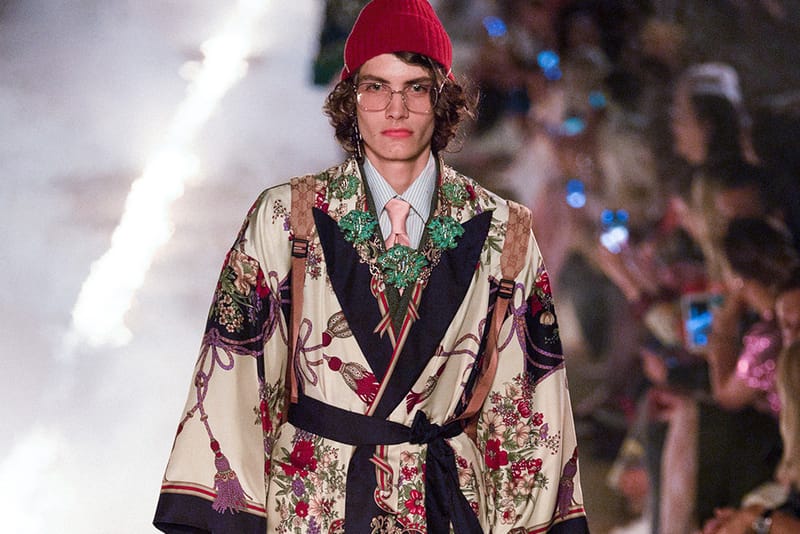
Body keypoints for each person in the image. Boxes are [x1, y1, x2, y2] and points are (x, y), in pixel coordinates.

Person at [153, 1, 589, 532]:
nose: (396, 109)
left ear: (443, 98)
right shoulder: (286, 219)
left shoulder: (505, 232)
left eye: (416, 88)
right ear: (350, 97)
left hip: (445, 508)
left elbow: (527, 413)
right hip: (314, 506)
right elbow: (237, 379)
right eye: (376, 87)